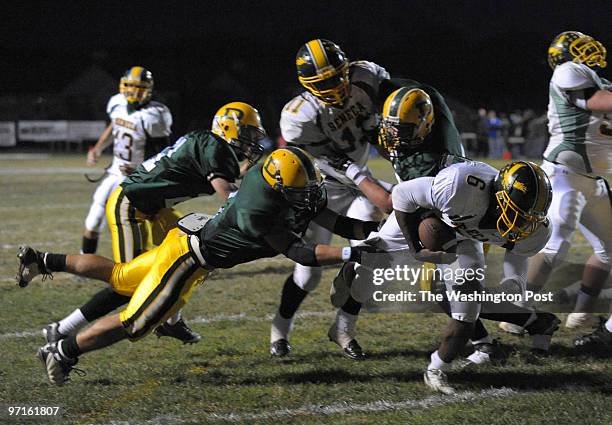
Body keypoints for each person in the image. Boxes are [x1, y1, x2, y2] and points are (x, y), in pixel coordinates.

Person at [17, 147, 383, 385]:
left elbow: (337, 223)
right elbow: (302, 253)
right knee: (138, 321)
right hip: (190, 258)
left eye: (309, 186)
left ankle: (43, 261)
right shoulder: (259, 210)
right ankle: (63, 351)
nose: (309, 194)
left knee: (120, 276)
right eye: (299, 190)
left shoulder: (286, 183)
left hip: (189, 237)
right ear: (277, 189)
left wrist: (380, 231)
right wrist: (355, 253)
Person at [330, 85, 553, 367]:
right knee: (374, 261)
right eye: (392, 128)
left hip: (456, 216)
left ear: (425, 126)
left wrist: (514, 283)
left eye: (404, 130)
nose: (394, 136)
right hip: (435, 208)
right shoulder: (406, 140)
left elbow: (393, 201)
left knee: (447, 292)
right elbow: (402, 195)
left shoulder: (444, 168)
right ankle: (518, 329)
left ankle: (506, 334)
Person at [18, 102, 267, 345]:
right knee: (128, 281)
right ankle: (58, 315)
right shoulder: (216, 147)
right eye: (248, 133)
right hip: (132, 204)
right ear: (228, 128)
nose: (252, 141)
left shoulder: (211, 144)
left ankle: (171, 321)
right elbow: (229, 194)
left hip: (156, 207)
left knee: (187, 249)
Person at [270, 39, 393, 359]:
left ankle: (343, 327)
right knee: (307, 273)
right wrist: (367, 182)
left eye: (339, 75)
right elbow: (331, 159)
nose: (337, 86)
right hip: (319, 191)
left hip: (355, 186)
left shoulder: (364, 77)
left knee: (373, 254)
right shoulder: (300, 115)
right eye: (325, 82)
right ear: (308, 85)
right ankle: (280, 329)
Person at [390, 160, 557, 393]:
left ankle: (436, 368)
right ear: (499, 196)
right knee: (373, 249)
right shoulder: (459, 186)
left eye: (529, 218)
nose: (522, 224)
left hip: (467, 237)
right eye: (516, 213)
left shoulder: (536, 231)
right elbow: (401, 194)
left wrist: (513, 281)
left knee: (465, 312)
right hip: (434, 217)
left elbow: (517, 252)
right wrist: (415, 247)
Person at [501, 31, 611, 335]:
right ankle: (516, 313)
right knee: (556, 243)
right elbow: (596, 101)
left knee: (609, 250)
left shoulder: (598, 81)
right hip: (563, 175)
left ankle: (581, 315)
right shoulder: (568, 70)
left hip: (594, 181)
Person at [81, 66, 172, 258]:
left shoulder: (155, 115)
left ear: (148, 89)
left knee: (154, 224)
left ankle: (177, 258)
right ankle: (84, 263)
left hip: (143, 178)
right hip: (115, 172)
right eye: (129, 85)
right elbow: (114, 126)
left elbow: (164, 153)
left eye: (138, 86)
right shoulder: (117, 103)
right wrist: (98, 148)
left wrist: (141, 169)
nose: (132, 91)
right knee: (94, 219)